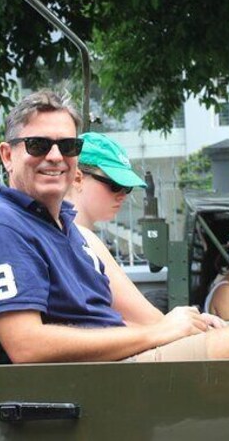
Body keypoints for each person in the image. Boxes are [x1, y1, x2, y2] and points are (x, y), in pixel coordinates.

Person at [0, 90, 229, 364]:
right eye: (38, 145)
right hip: (74, 386)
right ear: (6, 155)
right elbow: (27, 346)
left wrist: (177, 327)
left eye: (67, 146)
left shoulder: (62, 228)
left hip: (105, 370)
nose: (55, 157)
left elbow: (145, 321)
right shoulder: (0, 225)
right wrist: (156, 333)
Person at [65, 132, 170, 326]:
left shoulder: (73, 234)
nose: (123, 195)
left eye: (126, 188)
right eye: (114, 185)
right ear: (77, 178)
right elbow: (152, 321)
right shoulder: (79, 236)